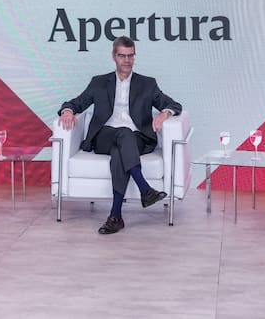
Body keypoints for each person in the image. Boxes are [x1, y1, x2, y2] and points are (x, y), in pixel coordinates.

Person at [58, 36, 182, 234]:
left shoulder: (147, 84)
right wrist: (67, 111)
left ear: (134, 56)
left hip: (137, 138)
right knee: (123, 134)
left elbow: (174, 105)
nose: (127, 60)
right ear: (114, 56)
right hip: (104, 136)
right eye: (122, 56)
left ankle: (115, 216)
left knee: (120, 152)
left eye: (131, 56)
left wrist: (164, 113)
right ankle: (145, 189)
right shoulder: (99, 82)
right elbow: (77, 102)